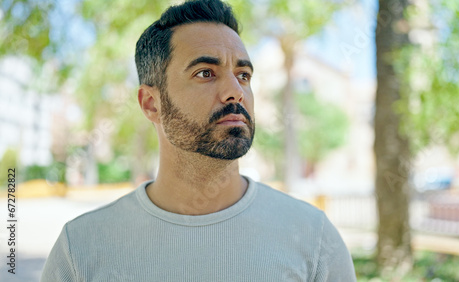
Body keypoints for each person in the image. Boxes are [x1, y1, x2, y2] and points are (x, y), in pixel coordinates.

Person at [41, 0, 356, 281]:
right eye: (206, 73)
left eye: (243, 75)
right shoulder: (82, 248)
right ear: (152, 104)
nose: (236, 91)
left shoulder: (313, 239)